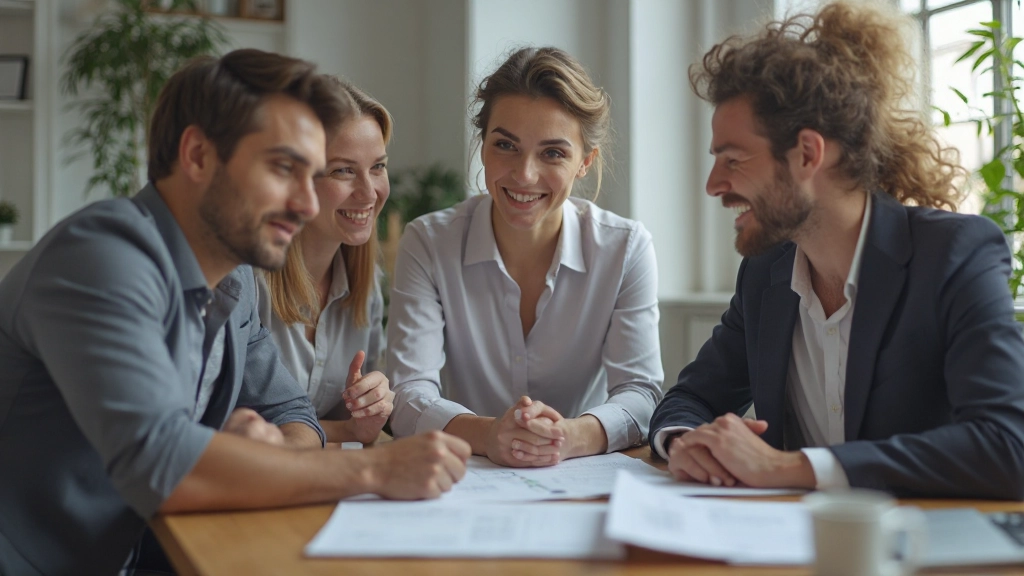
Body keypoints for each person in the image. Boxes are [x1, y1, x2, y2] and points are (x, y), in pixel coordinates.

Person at [0, 49, 469, 575]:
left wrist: (259, 449)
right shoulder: (100, 257)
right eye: (284, 168)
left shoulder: (233, 280)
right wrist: (373, 468)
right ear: (198, 155)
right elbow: (164, 466)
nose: (308, 204)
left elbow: (295, 416)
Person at [649, 1, 1024, 499]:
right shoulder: (765, 273)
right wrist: (684, 442)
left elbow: (1008, 445)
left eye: (733, 159)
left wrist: (791, 468)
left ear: (807, 154)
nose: (714, 184)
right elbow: (691, 397)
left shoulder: (954, 256)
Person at [388, 46, 664, 468]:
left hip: (579, 474)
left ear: (585, 162)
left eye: (553, 153)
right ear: (483, 146)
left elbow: (641, 393)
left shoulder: (625, 248)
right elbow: (407, 393)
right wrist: (488, 434)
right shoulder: (428, 242)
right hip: (462, 474)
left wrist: (568, 436)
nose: (524, 174)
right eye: (506, 145)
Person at [257, 76, 393, 445]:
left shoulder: (365, 284)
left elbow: (341, 423)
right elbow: (229, 424)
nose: (369, 192)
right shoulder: (246, 280)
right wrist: (342, 431)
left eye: (377, 167)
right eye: (343, 170)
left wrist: (369, 405)